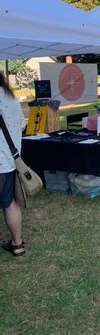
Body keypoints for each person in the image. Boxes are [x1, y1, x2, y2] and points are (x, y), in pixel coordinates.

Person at [0, 71, 26, 257]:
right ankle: (17, 245)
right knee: (10, 203)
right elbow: (22, 124)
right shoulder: (8, 96)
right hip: (7, 161)